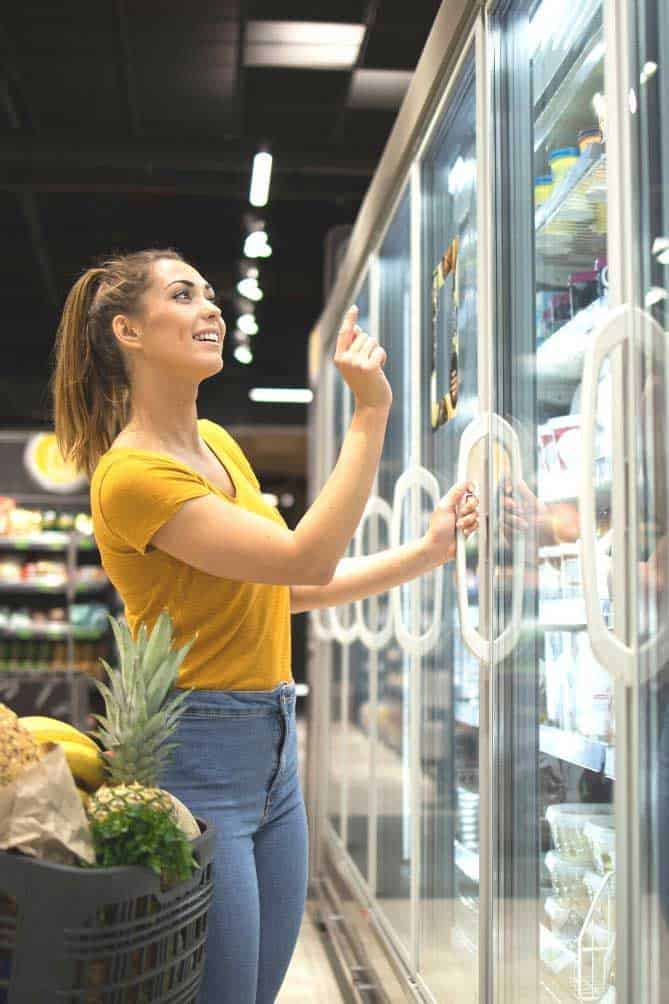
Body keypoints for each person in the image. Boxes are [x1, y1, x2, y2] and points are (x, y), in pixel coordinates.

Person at [50, 248, 479, 1004]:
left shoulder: (215, 443)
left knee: (256, 988)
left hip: (272, 748)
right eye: (183, 295)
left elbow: (272, 594)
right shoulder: (133, 476)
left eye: (210, 293)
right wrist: (371, 412)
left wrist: (425, 553)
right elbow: (304, 557)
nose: (210, 308)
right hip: (196, 758)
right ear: (129, 331)